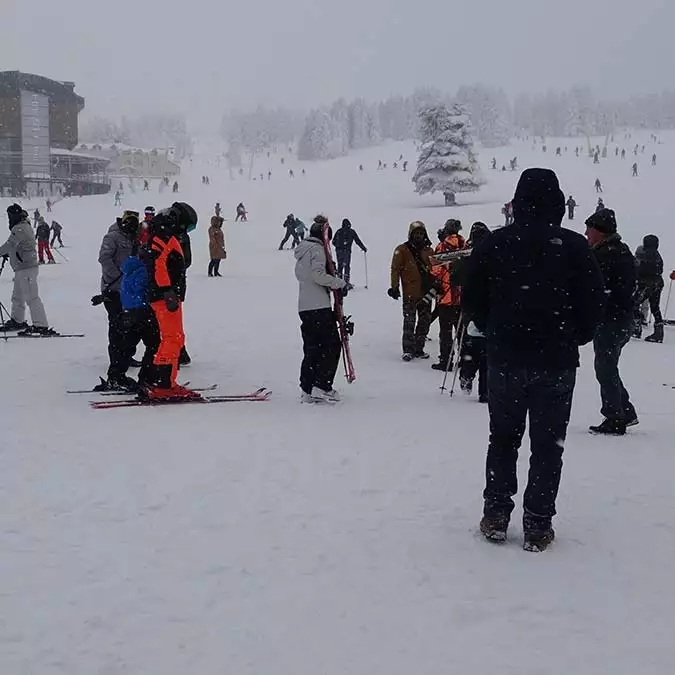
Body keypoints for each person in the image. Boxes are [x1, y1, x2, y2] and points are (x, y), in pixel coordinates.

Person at [463, 168, 604, 551]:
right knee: (547, 444)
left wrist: (492, 327)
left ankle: (496, 513)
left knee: (504, 438)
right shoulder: (574, 246)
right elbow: (594, 304)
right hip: (555, 360)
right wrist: (575, 335)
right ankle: (538, 523)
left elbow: (471, 296)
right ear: (557, 204)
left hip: (506, 357)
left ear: (518, 202)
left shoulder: (494, 243)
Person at [138, 202, 199, 400]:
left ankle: (164, 380)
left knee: (175, 337)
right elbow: (157, 263)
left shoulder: (163, 232)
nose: (185, 231)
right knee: (172, 338)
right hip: (165, 296)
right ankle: (162, 383)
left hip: (168, 294)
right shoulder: (163, 234)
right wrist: (167, 290)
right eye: (187, 227)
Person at [585, 208, 638, 435]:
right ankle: (624, 411)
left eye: (590, 229)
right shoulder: (620, 251)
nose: (586, 233)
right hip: (620, 318)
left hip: (612, 319)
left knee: (605, 368)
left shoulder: (606, 255)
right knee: (607, 366)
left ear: (600, 231)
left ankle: (615, 417)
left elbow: (598, 289)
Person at [294, 215, 346, 403]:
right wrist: (337, 283)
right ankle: (322, 385)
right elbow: (318, 275)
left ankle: (307, 388)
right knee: (332, 345)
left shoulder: (303, 251)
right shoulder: (317, 250)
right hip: (319, 306)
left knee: (312, 348)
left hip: (305, 306)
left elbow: (305, 275)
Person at [96, 211, 142, 391]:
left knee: (128, 326)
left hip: (128, 291)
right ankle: (115, 362)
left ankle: (124, 358)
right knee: (116, 326)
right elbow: (104, 258)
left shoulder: (134, 237)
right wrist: (116, 277)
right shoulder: (112, 236)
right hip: (113, 289)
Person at [0, 204, 54, 334]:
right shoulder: (22, 226)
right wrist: (9, 252)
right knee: (17, 297)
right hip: (21, 268)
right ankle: (17, 320)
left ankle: (40, 325)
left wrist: (3, 251)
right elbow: (16, 246)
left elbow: (10, 244)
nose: (9, 218)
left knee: (31, 297)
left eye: (10, 216)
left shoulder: (20, 228)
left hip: (26, 267)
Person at [388, 222, 435, 361]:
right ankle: (408, 349)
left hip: (427, 292)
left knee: (424, 321)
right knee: (409, 321)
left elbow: (435, 270)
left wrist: (437, 285)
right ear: (411, 234)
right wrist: (394, 287)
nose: (419, 236)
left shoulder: (429, 251)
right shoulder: (402, 250)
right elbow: (395, 269)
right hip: (410, 292)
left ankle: (419, 348)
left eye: (421, 233)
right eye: (416, 233)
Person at [458, 222, 491, 401]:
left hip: (472, 308)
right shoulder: (494, 253)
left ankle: (467, 375)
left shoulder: (468, 254)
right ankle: (484, 390)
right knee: (486, 350)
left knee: (471, 346)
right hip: (489, 308)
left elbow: (460, 277)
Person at [430, 219, 465, 371]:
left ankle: (446, 361)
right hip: (461, 296)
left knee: (446, 333)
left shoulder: (441, 246)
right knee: (461, 332)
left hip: (445, 296)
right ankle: (465, 359)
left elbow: (435, 271)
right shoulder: (466, 246)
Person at [634, 235, 664, 343]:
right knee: (655, 306)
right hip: (658, 283)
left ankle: (636, 326)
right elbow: (659, 269)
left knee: (633, 303)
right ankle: (659, 332)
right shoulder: (657, 255)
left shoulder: (646, 254)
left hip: (646, 284)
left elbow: (641, 269)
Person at [332, 218, 367, 289]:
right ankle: (346, 283)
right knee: (346, 266)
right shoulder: (351, 232)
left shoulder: (338, 231)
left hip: (339, 251)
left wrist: (338, 247)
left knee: (340, 266)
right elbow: (357, 240)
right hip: (346, 251)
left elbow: (333, 241)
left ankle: (339, 282)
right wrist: (363, 247)